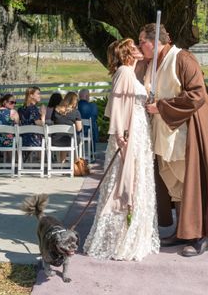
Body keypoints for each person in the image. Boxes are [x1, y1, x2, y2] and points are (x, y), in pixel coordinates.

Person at [139, 23, 208, 257]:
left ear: (154, 42)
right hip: (163, 133)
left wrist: (162, 106)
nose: (139, 46)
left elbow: (197, 95)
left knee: (191, 184)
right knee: (174, 184)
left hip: (183, 133)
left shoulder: (183, 59)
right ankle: (183, 231)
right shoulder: (152, 64)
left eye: (141, 42)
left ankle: (200, 236)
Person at [84, 38, 159, 261]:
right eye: (134, 47)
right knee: (125, 180)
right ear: (127, 53)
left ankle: (134, 235)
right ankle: (117, 238)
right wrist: (119, 133)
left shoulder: (131, 74)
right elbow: (116, 104)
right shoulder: (125, 72)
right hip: (131, 130)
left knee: (138, 178)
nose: (138, 49)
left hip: (139, 128)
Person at [50, 91, 82, 162]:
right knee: (74, 139)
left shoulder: (55, 110)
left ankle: (62, 164)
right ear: (74, 101)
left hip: (55, 140)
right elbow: (79, 128)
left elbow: (52, 122)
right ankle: (75, 163)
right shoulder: (76, 112)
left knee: (63, 136)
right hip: (70, 140)